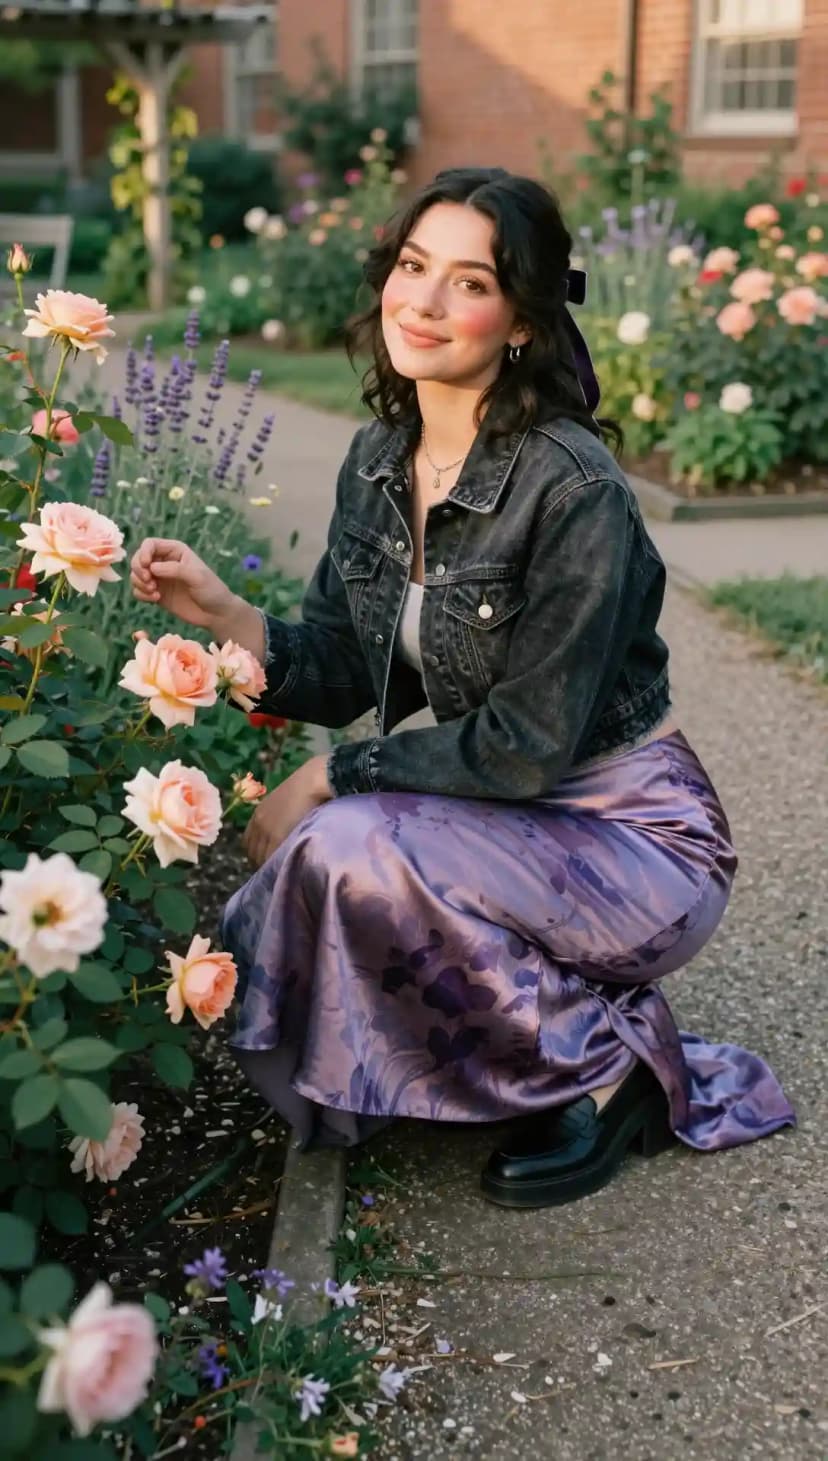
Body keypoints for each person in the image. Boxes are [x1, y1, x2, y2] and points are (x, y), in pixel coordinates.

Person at [130, 167, 794, 1208]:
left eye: (468, 282)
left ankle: (610, 1071)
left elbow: (528, 746)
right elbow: (348, 668)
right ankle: (527, 1050)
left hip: (636, 843)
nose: (425, 304)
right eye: (411, 267)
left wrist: (333, 777)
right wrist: (224, 615)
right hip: (509, 829)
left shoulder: (575, 492)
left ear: (522, 319)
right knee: (342, 845)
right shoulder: (378, 460)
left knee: (348, 838)